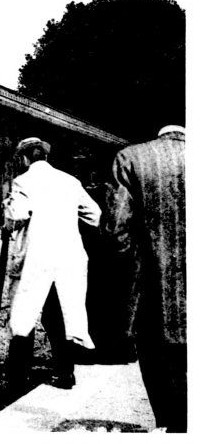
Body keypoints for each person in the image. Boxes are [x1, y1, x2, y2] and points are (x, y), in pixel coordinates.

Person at [102, 125, 185, 432]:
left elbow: (115, 232)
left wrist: (137, 269)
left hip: (156, 301)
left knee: (171, 406)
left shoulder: (131, 158)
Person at [2, 137, 100, 391]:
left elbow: (18, 216)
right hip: (69, 257)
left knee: (25, 315)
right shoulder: (70, 181)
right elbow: (95, 215)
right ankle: (65, 374)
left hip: (37, 259)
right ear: (45, 156)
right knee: (61, 315)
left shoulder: (23, 181)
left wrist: (7, 211)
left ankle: (18, 379)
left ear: (24, 158)